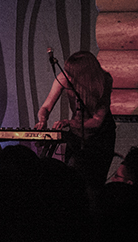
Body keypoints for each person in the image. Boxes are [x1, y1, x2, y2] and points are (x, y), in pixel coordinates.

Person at [35, 50, 116, 193]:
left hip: (100, 137)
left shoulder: (104, 80)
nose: (68, 75)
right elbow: (46, 107)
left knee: (93, 184)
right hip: (77, 135)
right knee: (72, 178)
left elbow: (97, 121)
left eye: (71, 73)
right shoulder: (64, 78)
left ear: (84, 75)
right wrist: (43, 120)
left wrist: (69, 123)